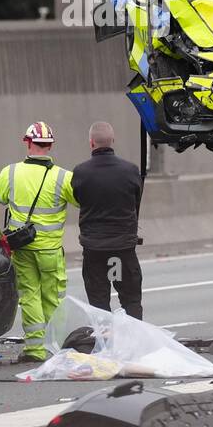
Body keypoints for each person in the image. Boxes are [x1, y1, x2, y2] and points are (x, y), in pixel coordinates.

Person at [0, 122, 79, 363]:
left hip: (22, 247)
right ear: (50, 145)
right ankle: (56, 349)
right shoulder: (64, 176)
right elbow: (81, 201)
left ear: (27, 142)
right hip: (50, 250)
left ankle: (35, 350)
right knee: (53, 299)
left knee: (29, 296)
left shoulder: (11, 172)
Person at [72, 121, 144, 319]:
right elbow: (136, 199)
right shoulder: (130, 170)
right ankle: (135, 342)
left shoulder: (80, 172)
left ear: (91, 143)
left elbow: (79, 199)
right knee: (130, 299)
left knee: (99, 301)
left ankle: (106, 345)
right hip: (122, 248)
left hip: (94, 250)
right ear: (113, 140)